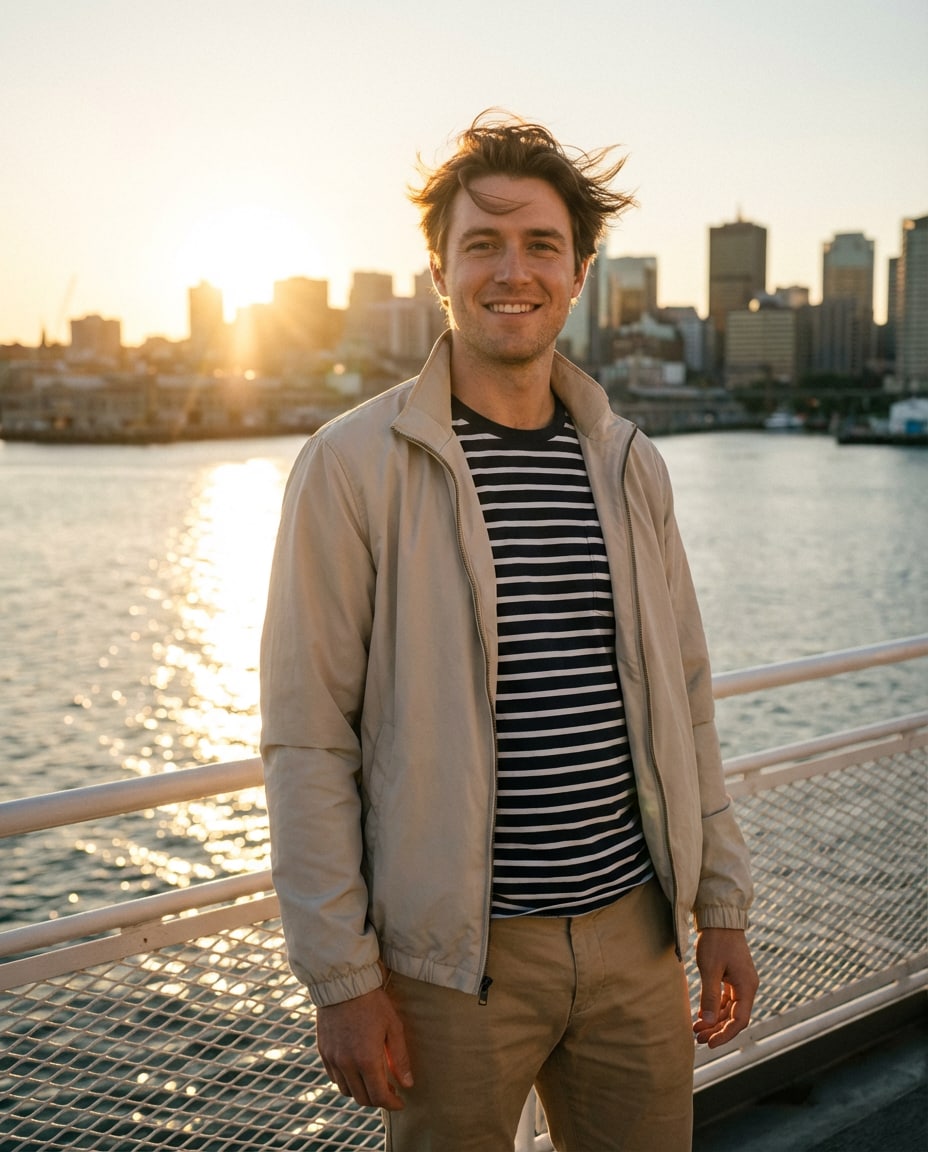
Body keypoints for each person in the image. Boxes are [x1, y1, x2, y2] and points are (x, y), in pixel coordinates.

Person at [260, 111, 757, 1152]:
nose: (511, 270)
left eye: (539, 244)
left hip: (634, 936)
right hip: (452, 967)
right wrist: (344, 980)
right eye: (480, 244)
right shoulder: (352, 467)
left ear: (578, 275)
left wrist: (721, 904)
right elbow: (308, 740)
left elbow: (690, 697)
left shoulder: (630, 467)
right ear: (440, 271)